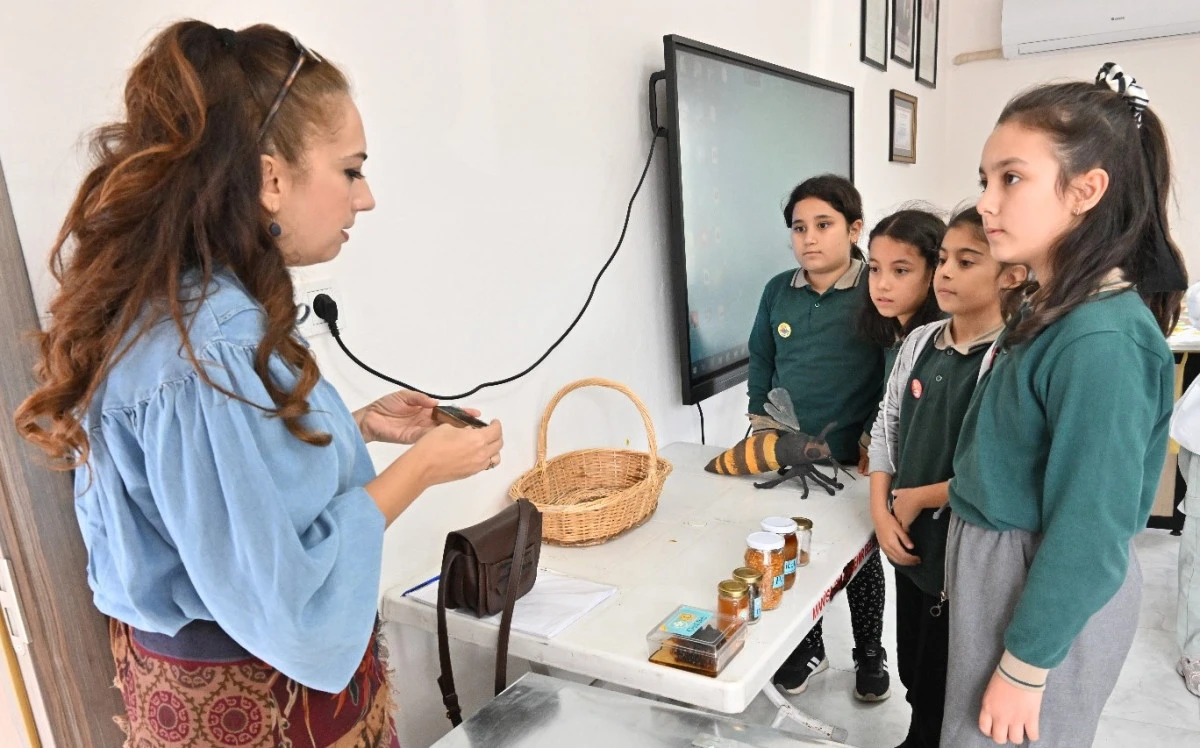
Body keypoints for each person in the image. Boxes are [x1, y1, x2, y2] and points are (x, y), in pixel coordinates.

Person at [13, 21, 503, 746]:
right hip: (264, 713)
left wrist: (359, 425)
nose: (363, 198)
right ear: (272, 178)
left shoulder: (180, 308)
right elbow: (288, 596)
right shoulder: (210, 348)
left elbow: (222, 492)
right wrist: (423, 468)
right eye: (350, 170)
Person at [941, 63, 1187, 746]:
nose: (986, 202)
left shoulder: (1102, 339)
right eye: (984, 180)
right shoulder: (1052, 307)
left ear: (1086, 190)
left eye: (1010, 178)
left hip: (1042, 595)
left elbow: (1091, 527)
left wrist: (1024, 667)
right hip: (1006, 577)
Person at [870, 206, 1026, 748]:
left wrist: (918, 498)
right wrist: (880, 509)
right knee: (915, 666)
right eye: (942, 260)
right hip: (910, 545)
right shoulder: (922, 342)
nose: (945, 274)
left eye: (966, 261)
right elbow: (887, 423)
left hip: (961, 556)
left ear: (1011, 274)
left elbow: (1002, 465)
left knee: (946, 678)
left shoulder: (1011, 355)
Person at [748, 174, 889, 701]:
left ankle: (870, 651)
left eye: (823, 225)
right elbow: (762, 357)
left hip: (854, 457)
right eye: (798, 227)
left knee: (860, 559)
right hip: (789, 450)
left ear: (854, 229)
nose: (809, 238)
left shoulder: (873, 290)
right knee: (796, 550)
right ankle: (809, 647)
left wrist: (876, 443)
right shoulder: (777, 291)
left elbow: (889, 370)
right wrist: (760, 420)